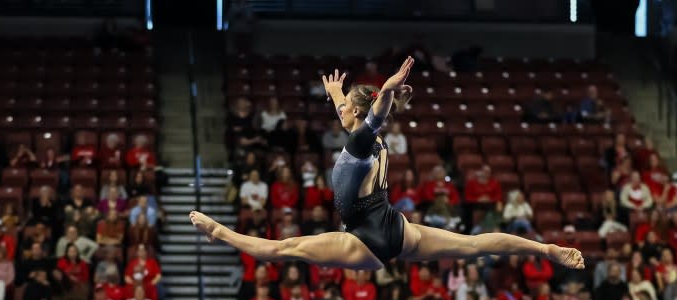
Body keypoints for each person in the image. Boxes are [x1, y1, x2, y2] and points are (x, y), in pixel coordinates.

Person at [191, 58, 584, 273]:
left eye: (344, 105)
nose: (338, 107)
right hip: (398, 229)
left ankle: (219, 231)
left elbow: (372, 116)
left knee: (285, 249)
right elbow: (362, 117)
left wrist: (390, 88)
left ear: (357, 112)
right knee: (475, 246)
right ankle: (544, 248)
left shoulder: (364, 136)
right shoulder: (370, 140)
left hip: (364, 239)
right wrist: (337, 93)